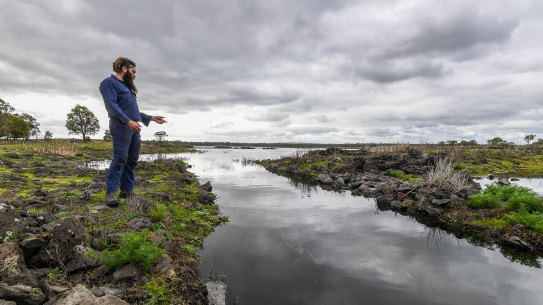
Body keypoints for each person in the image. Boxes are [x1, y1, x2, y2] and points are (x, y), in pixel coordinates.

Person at [99, 57, 166, 206]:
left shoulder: (128, 89)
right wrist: (127, 121)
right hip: (121, 126)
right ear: (124, 69)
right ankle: (110, 192)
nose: (135, 75)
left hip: (133, 127)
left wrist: (151, 118)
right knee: (120, 157)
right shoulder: (108, 83)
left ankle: (127, 189)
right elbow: (112, 106)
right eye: (133, 71)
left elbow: (134, 111)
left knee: (132, 159)